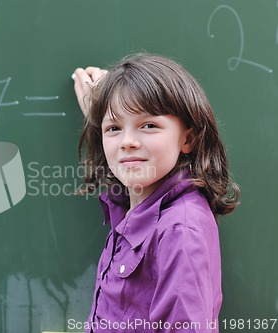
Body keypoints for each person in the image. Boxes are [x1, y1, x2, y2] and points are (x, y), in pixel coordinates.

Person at [71, 53, 240, 333]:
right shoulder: (140, 202)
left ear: (187, 138)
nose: (127, 142)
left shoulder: (179, 230)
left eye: (148, 125)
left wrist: (114, 115)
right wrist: (104, 105)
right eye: (114, 128)